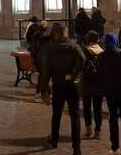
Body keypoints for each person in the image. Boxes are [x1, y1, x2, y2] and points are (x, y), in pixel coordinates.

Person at [39, 22, 85, 155]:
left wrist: (44, 88)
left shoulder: (51, 48)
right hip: (72, 86)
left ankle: (54, 140)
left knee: (56, 114)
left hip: (58, 85)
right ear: (65, 33)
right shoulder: (73, 46)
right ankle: (76, 148)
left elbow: (46, 70)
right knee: (75, 116)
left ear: (55, 33)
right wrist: (73, 74)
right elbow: (82, 59)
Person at [80, 30, 104, 139]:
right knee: (98, 108)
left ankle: (88, 129)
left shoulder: (84, 50)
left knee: (87, 107)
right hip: (98, 84)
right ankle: (98, 131)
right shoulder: (101, 51)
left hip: (86, 83)